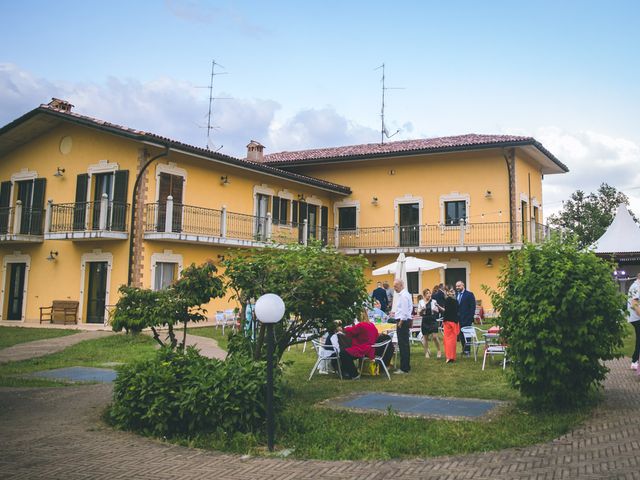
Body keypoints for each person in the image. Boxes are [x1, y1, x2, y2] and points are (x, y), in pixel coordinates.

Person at [338, 310, 379, 379]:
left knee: (343, 353)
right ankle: (346, 372)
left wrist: (342, 329)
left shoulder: (361, 325)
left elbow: (351, 331)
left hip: (364, 348)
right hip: (371, 348)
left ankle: (353, 374)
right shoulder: (371, 324)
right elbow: (376, 335)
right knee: (345, 352)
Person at [391, 278, 413, 374]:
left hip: (402, 322)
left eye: (396, 286)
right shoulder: (405, 294)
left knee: (403, 344)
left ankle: (404, 368)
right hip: (404, 320)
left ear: (401, 285)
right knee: (404, 344)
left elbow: (404, 311)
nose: (394, 288)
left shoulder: (403, 296)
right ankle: (406, 366)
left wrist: (400, 321)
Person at [455, 281, 476, 355]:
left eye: (459, 286)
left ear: (463, 285)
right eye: (456, 286)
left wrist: (470, 318)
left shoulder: (469, 294)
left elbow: (472, 307)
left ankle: (468, 351)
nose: (457, 287)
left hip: (467, 318)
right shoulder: (456, 295)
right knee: (461, 335)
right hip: (459, 319)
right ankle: (464, 349)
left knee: (467, 335)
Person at [420, 288, 442, 358]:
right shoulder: (421, 302)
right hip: (425, 319)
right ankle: (426, 352)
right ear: (424, 295)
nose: (429, 294)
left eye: (429, 293)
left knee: (435, 337)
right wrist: (422, 310)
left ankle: (439, 350)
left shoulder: (434, 301)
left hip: (432, 319)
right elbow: (419, 313)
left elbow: (437, 311)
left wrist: (436, 310)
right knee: (425, 337)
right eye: (427, 293)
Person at [442, 287, 459, 363]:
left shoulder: (448, 300)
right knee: (452, 340)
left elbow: (446, 311)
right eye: (451, 291)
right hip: (453, 322)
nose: (453, 292)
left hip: (449, 322)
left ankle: (449, 357)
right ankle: (452, 356)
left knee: (448, 340)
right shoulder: (455, 301)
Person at [628, 273, 640, 371]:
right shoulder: (636, 287)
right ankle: (635, 361)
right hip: (636, 318)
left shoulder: (635, 286)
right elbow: (635, 304)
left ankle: (635, 361)